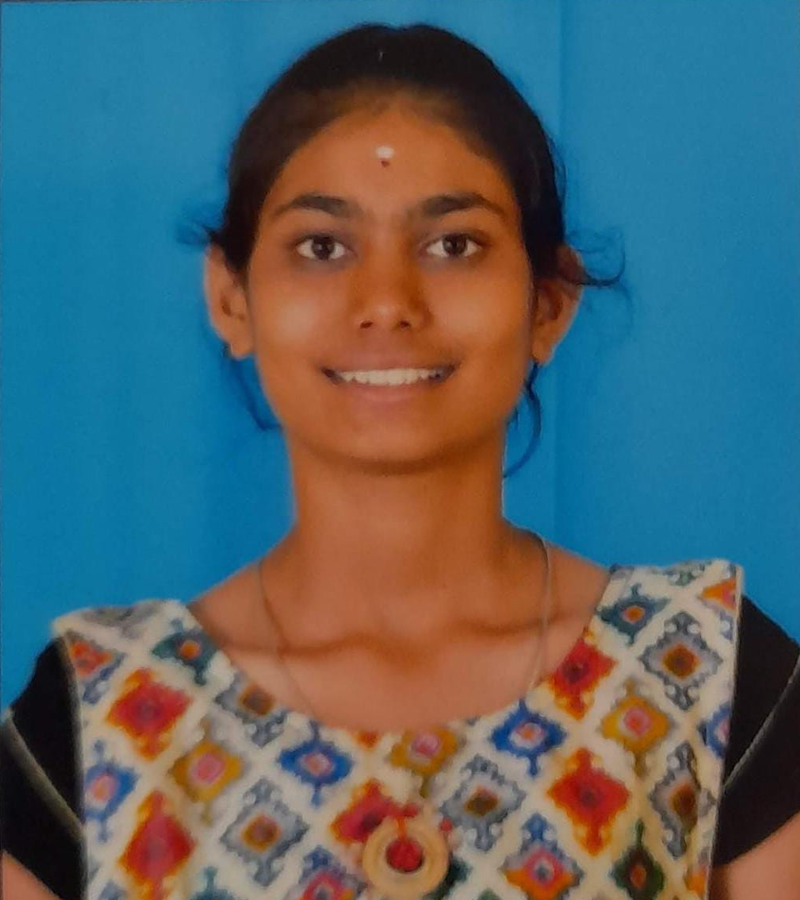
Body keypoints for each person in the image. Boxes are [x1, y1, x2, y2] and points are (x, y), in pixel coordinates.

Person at [2, 21, 799, 900]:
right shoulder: (101, 718)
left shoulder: (703, 678)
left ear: (548, 301)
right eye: (322, 246)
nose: (386, 301)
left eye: (453, 244)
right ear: (231, 297)